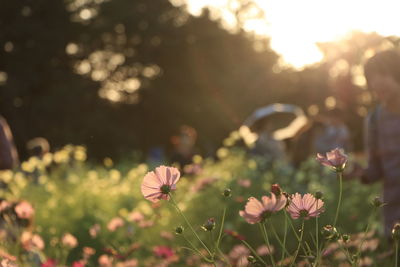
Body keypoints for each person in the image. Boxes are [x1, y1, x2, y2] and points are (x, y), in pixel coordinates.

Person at [357, 49, 400, 237]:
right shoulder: (373, 120)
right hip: (394, 212)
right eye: (371, 78)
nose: (376, 82)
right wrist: (359, 173)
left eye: (383, 74)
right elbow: (375, 169)